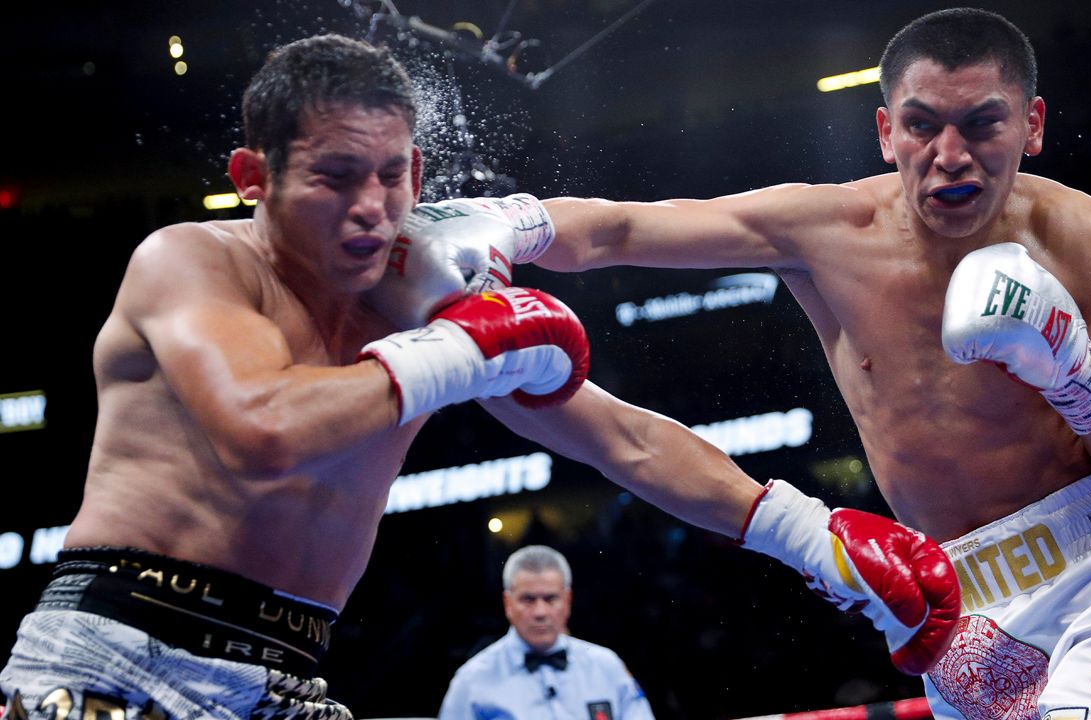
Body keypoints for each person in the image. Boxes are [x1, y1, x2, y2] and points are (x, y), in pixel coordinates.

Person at [0, 32, 958, 720]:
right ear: (254, 175)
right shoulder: (192, 263)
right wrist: (464, 351)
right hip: (122, 650)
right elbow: (262, 428)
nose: (372, 208)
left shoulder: (414, 302)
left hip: (288, 674)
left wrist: (809, 537)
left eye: (392, 175)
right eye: (336, 177)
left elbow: (619, 436)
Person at [496, 8, 1091, 719]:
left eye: (984, 124)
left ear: (1033, 124)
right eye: (923, 124)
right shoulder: (823, 231)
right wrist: (503, 224)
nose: (951, 154)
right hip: (949, 612)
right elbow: (618, 228)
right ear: (885, 131)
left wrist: (1071, 366)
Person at [438, 546, 654, 720]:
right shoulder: (471, 680)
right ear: (508, 603)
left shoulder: (606, 666)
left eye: (551, 599)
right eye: (528, 599)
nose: (540, 612)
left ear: (567, 601)